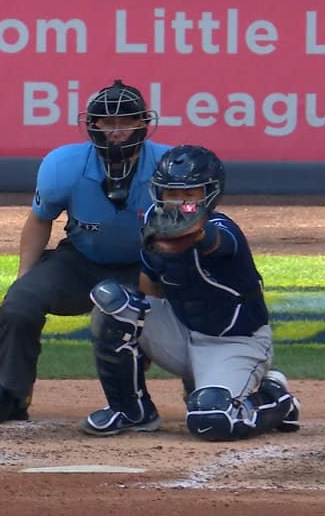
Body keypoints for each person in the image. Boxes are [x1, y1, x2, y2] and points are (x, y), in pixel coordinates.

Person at [0, 80, 172, 424]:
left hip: (147, 262)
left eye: (127, 121)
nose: (117, 131)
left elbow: (189, 233)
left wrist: (163, 288)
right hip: (80, 260)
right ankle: (11, 394)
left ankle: (199, 388)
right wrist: (23, 278)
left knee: (193, 304)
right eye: (107, 122)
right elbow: (38, 220)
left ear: (143, 123)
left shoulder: (169, 166)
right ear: (93, 126)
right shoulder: (63, 165)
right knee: (20, 303)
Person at [79, 145, 301, 440]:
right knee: (112, 302)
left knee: (212, 419)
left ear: (209, 195)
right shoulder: (152, 225)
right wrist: (135, 339)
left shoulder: (224, 230)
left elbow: (210, 240)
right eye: (171, 194)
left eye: (189, 195)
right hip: (181, 333)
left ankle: (276, 398)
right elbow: (150, 287)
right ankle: (131, 411)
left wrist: (190, 231)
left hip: (234, 343)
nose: (178, 202)